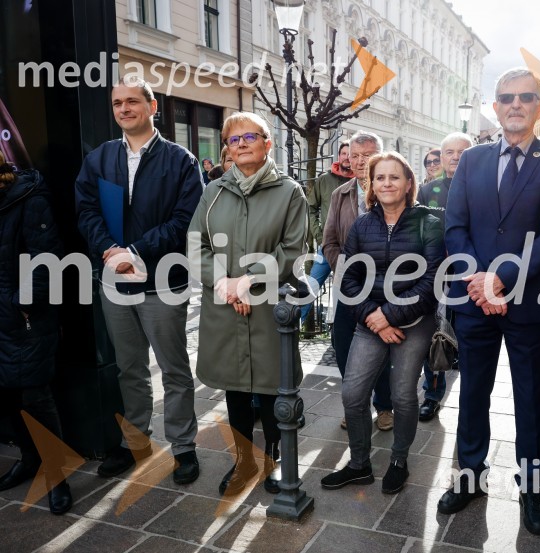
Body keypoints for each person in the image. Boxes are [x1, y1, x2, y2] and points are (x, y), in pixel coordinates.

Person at [439, 67, 540, 536]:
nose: (514, 104)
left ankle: (531, 488)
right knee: (472, 392)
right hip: (473, 298)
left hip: (529, 300)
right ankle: (470, 477)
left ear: (539, 105)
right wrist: (478, 279)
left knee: (531, 399)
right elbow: (454, 225)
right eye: (505, 97)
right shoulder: (472, 159)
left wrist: (502, 278)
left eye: (524, 97)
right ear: (494, 107)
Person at [75, 77, 202, 484]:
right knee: (129, 368)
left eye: (133, 101)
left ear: (152, 106)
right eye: (117, 103)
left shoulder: (181, 160)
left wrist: (137, 251)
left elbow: (185, 220)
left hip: (163, 281)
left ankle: (183, 447)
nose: (124, 109)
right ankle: (136, 443)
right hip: (115, 281)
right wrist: (110, 250)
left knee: (175, 369)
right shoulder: (100, 158)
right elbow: (86, 210)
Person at [188, 111, 307, 495]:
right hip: (223, 304)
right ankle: (244, 460)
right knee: (235, 389)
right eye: (233, 140)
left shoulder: (289, 192)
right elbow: (196, 245)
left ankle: (274, 457)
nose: (239, 144)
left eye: (248, 137)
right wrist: (225, 283)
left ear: (267, 143)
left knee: (274, 387)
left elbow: (292, 251)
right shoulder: (214, 192)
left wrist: (248, 283)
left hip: (268, 305)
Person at [321, 151, 444, 494]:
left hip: (414, 321)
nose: (386, 183)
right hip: (369, 320)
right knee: (353, 393)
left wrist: (388, 315)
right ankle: (359, 464)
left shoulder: (429, 223)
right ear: (371, 185)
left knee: (404, 396)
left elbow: (433, 281)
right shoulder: (363, 224)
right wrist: (373, 318)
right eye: (380, 178)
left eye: (394, 177)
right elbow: (347, 278)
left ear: (408, 184)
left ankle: (398, 462)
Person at [0, 153, 72, 515]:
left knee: (35, 395)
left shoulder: (28, 197)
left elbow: (49, 259)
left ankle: (57, 473)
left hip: (23, 316)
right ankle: (29, 460)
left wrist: (21, 303)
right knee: (8, 395)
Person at [322, 131, 394, 431]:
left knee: (381, 347)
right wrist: (348, 271)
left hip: (385, 288)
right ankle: (356, 405)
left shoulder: (391, 191)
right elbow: (328, 243)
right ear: (348, 158)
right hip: (349, 288)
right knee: (343, 345)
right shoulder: (341, 194)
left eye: (368, 154)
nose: (362, 161)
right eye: (356, 155)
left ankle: (385, 406)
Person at [415, 131, 472, 421]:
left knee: (468, 338)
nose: (456, 157)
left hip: (471, 277)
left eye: (462, 151)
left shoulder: (483, 188)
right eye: (449, 152)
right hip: (436, 274)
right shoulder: (429, 191)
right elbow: (421, 231)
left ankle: (470, 402)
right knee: (435, 334)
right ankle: (433, 394)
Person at [302, 141, 354, 322]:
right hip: (326, 246)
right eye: (344, 153)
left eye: (351, 153)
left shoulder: (361, 183)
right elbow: (311, 208)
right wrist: (319, 235)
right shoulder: (324, 180)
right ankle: (289, 335)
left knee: (343, 297)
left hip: (351, 250)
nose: (347, 157)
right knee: (310, 289)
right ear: (338, 157)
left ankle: (336, 341)